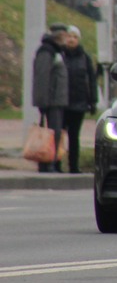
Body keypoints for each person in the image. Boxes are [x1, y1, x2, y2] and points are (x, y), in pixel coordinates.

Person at [31, 23, 70, 173]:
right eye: (65, 35)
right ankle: (47, 163)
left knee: (56, 133)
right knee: (51, 134)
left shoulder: (57, 51)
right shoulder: (47, 52)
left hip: (58, 100)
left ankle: (53, 162)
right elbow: (42, 77)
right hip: (51, 100)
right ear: (58, 36)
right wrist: (43, 101)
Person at [61, 25, 98, 174]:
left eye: (75, 37)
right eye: (69, 36)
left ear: (78, 39)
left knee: (74, 136)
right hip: (62, 103)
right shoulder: (60, 55)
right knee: (59, 135)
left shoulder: (84, 57)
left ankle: (73, 166)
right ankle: (56, 163)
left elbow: (92, 80)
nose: (71, 39)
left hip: (79, 103)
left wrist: (92, 101)